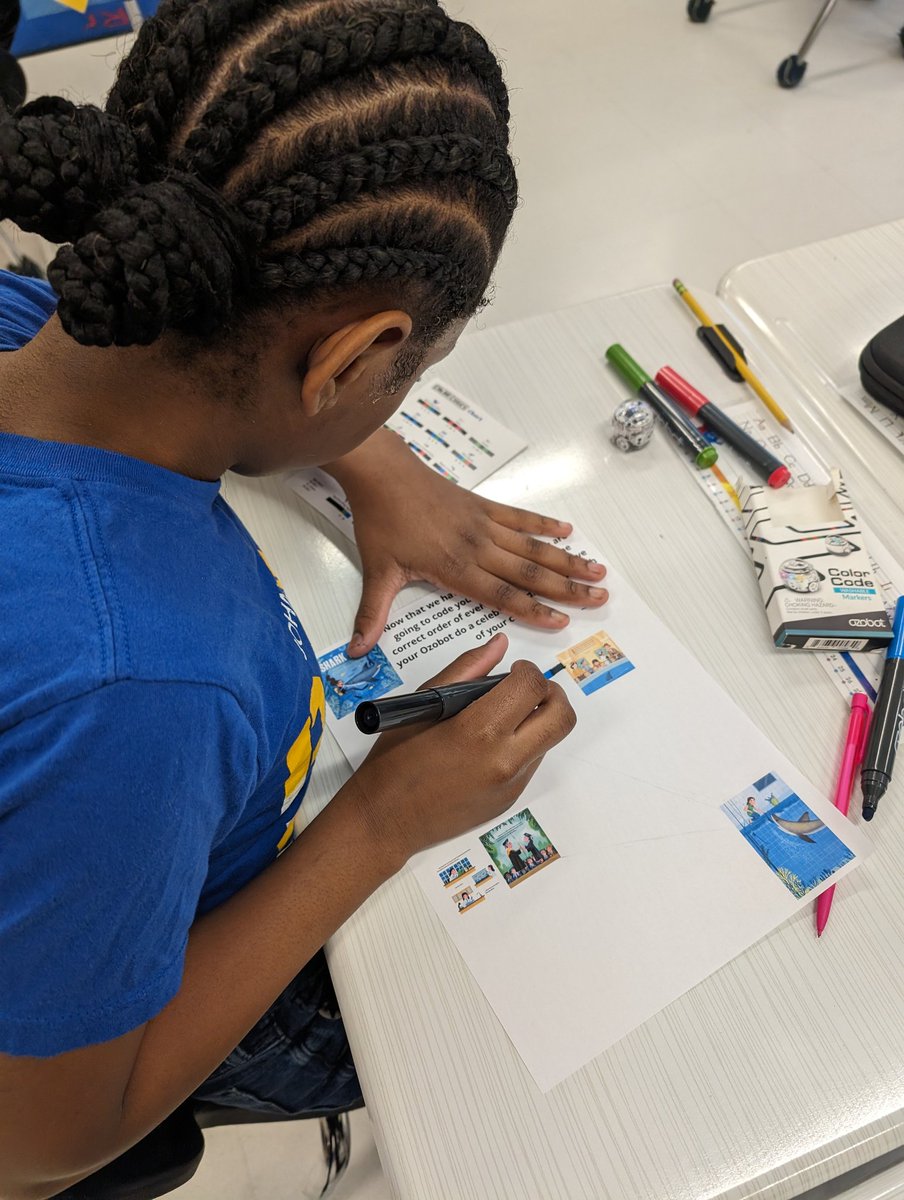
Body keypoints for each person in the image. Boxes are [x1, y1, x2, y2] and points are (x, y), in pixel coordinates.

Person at [0, 2, 611, 1195]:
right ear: (347, 360)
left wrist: (369, 455)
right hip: (194, 979)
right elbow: (38, 1148)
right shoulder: (141, 689)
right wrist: (381, 821)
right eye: (413, 373)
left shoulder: (31, 332)